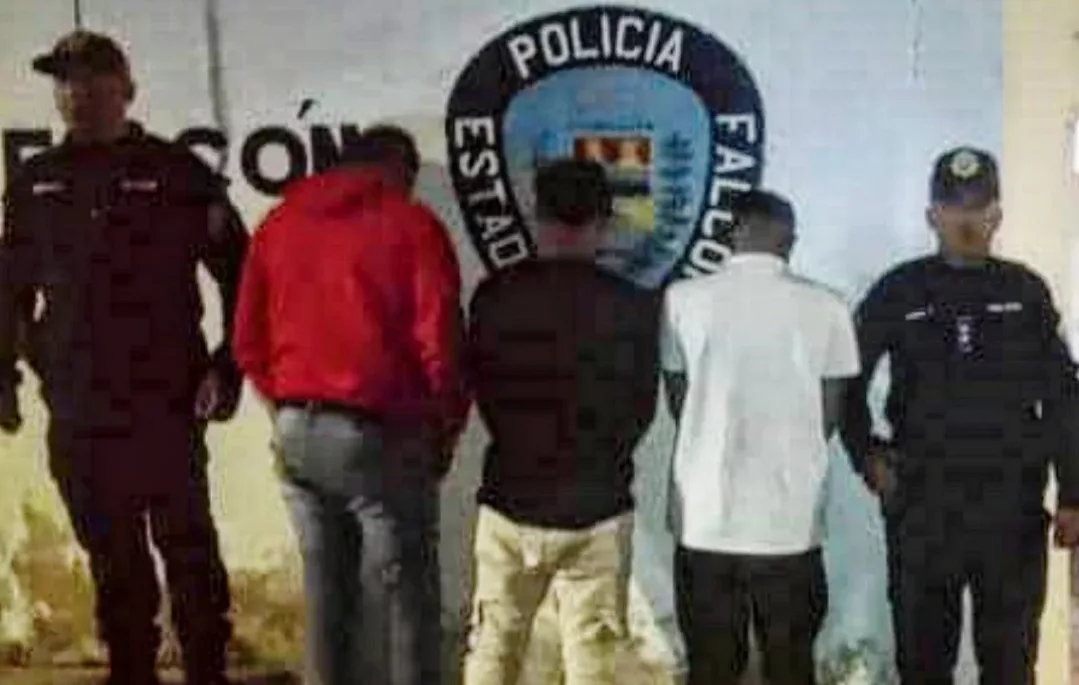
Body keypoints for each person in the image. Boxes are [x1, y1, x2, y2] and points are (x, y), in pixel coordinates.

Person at [0, 31, 248, 685]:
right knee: (112, 556)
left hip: (165, 400)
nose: (75, 93)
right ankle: (131, 668)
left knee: (188, 548)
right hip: (79, 406)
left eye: (91, 79)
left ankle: (206, 668)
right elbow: (9, 288)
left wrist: (229, 365)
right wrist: (5, 374)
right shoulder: (34, 182)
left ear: (127, 89)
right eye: (63, 81)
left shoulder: (177, 173)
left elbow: (243, 275)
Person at [231, 126, 467, 685]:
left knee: (325, 593)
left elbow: (247, 342)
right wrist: (445, 428)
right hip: (378, 434)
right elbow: (441, 344)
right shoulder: (411, 224)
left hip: (296, 430)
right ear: (401, 172)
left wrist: (287, 407)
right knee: (405, 596)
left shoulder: (279, 223)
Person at [841, 146, 1079, 684]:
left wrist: (1073, 492)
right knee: (923, 665)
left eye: (978, 207)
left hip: (1010, 509)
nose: (966, 220)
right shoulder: (899, 289)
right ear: (933, 215)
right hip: (923, 506)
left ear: (997, 215)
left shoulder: (1025, 291)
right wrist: (866, 454)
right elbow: (845, 379)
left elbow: (1065, 396)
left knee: (1011, 665)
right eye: (954, 207)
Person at [462, 159, 661, 685]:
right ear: (604, 222)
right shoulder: (633, 305)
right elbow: (640, 408)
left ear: (536, 215)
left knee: (493, 649)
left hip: (511, 495)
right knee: (594, 662)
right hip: (597, 502)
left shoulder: (494, 296)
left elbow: (481, 388)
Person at [660, 189, 859, 685]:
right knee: (790, 666)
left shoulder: (681, 299)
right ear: (789, 238)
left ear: (732, 232)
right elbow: (830, 414)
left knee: (711, 668)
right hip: (789, 523)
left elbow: (679, 400)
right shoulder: (828, 306)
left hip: (705, 518)